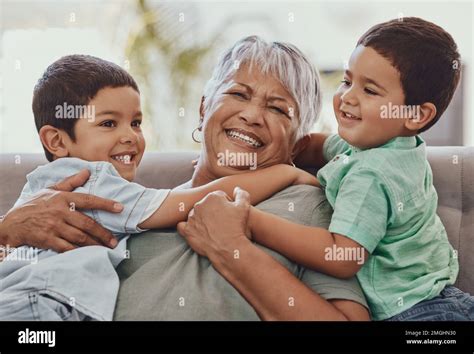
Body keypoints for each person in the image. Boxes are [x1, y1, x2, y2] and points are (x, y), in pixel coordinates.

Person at [1, 36, 370, 320]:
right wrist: (8, 231)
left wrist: (231, 249)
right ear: (203, 108)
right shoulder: (126, 202)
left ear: (297, 144)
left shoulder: (307, 205)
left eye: (278, 109)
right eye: (237, 94)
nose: (253, 115)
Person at [184, 18, 474, 321]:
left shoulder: (371, 175)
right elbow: (314, 145)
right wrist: (245, 155)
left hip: (423, 314)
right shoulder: (378, 145)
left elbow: (342, 257)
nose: (348, 97)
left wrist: (249, 220)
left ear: (416, 115)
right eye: (348, 82)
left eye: (370, 91)